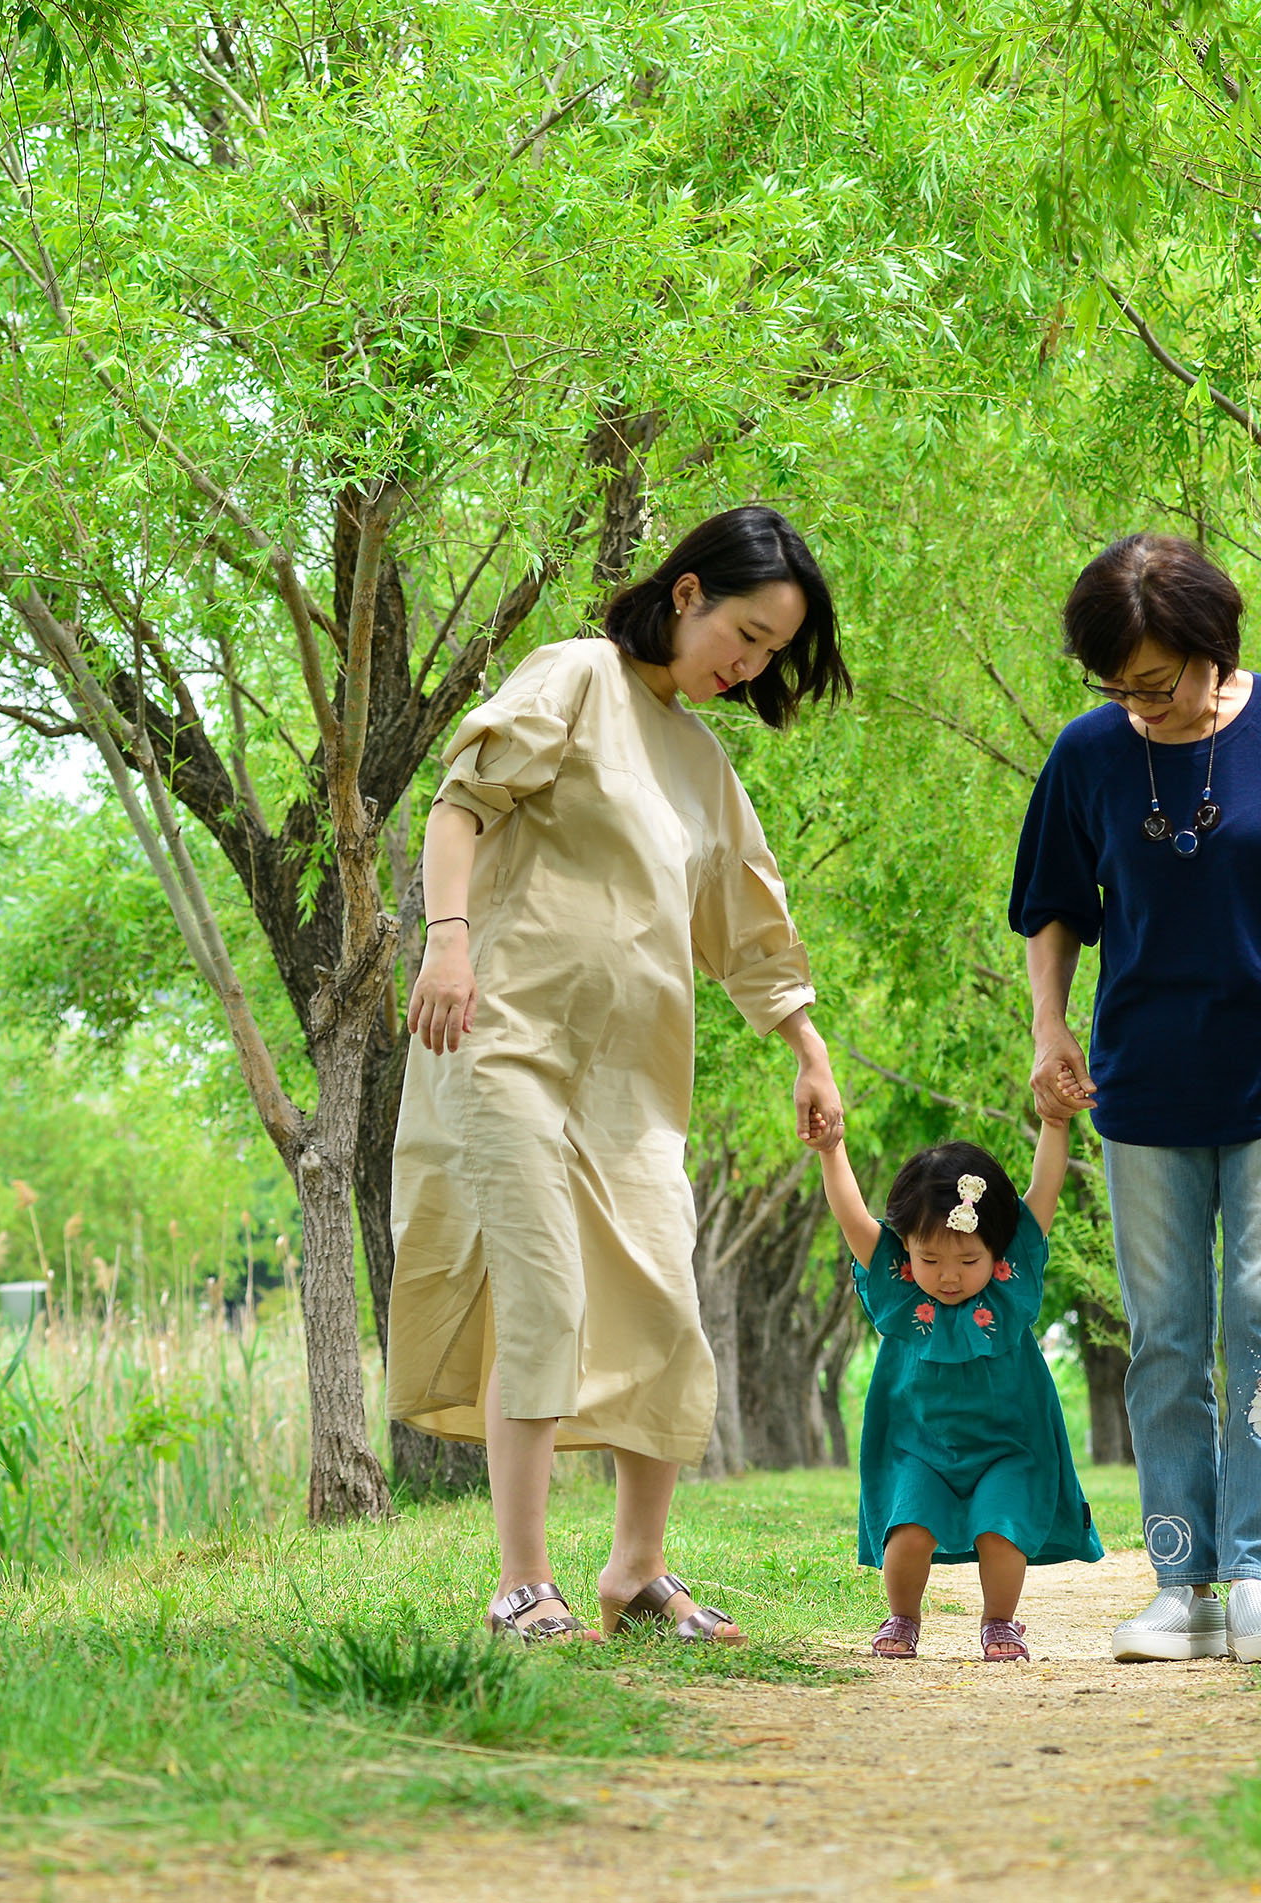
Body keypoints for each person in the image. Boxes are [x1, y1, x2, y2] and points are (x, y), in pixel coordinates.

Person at [389, 505, 851, 1645]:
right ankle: (522, 1583)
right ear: (687, 593)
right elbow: (461, 803)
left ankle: (636, 1574)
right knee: (544, 1296)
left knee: (665, 1310)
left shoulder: (701, 762)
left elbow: (749, 928)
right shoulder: (578, 675)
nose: (750, 666)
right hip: (507, 1042)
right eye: (746, 634)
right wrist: (447, 940)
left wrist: (808, 1048)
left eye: (772, 653)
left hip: (634, 1087)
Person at [1011, 533, 1261, 1665]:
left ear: (1213, 647)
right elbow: (1053, 905)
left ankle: (1260, 1578)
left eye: (1159, 681)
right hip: (1144, 1090)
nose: (1142, 705)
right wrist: (1049, 1025)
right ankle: (1181, 1581)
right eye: (1121, 688)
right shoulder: (1089, 754)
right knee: (1167, 1339)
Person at [810, 1125, 1104, 1662]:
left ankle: (999, 1622)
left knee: (1001, 1531)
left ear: (997, 1247)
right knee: (908, 1530)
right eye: (930, 1259)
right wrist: (832, 1149)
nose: (949, 1277)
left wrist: (1056, 1123)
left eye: (969, 1261)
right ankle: (902, 1616)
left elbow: (1044, 1188)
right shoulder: (898, 1282)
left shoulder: (1010, 1277)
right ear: (906, 1247)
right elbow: (851, 1215)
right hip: (917, 1447)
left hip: (1008, 1447)